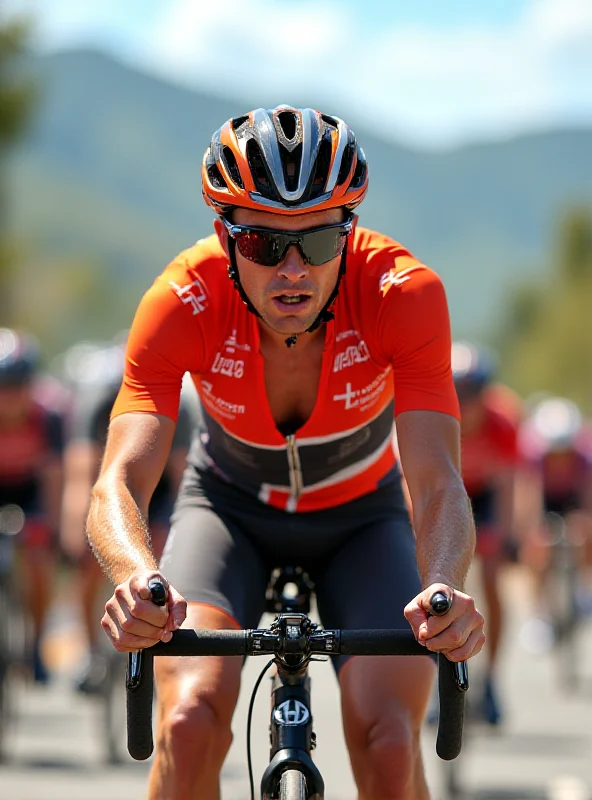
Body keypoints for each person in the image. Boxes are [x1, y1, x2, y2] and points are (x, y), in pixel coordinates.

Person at [88, 106, 485, 800]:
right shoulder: (181, 300)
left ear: (349, 231)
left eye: (321, 240)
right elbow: (116, 481)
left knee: (390, 744)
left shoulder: (405, 293)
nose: (294, 268)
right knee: (186, 723)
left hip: (364, 515)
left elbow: (438, 480)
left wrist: (445, 584)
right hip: (228, 509)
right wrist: (134, 578)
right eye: (266, 245)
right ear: (225, 235)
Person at [60, 341, 193, 693]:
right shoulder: (94, 404)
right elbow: (80, 478)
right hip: (110, 482)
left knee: (166, 543)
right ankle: (90, 652)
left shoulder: (171, 399)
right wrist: (77, 540)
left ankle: (165, 640)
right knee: (88, 556)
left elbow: (182, 481)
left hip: (161, 486)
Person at [451, 341, 520, 725]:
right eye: (458, 393)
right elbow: (416, 484)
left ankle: (491, 680)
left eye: (473, 393)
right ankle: (432, 684)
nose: (466, 402)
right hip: (448, 491)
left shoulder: (504, 420)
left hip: (487, 496)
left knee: (493, 583)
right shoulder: (437, 415)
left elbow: (511, 485)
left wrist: (507, 538)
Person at [0, 327, 65, 683]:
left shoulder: (48, 417)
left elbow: (54, 480)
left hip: (30, 491)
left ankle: (35, 642)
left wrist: (53, 530)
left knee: (39, 559)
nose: (9, 397)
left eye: (18, 385)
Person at [518, 396, 592, 642]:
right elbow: (531, 495)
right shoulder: (534, 457)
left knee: (587, 533)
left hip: (571, 500)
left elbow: (587, 495)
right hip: (546, 501)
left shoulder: (584, 456)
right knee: (538, 547)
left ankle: (582, 589)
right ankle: (538, 612)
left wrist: (584, 522)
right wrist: (536, 529)